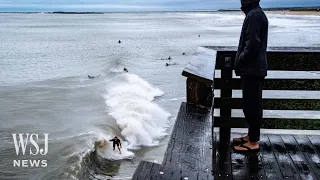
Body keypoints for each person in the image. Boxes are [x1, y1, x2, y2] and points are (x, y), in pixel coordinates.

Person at [232, 0, 268, 153]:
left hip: (252, 69)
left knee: (252, 105)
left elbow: (252, 44)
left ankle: (253, 142)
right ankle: (251, 135)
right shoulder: (255, 13)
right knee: (251, 103)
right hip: (253, 68)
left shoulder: (254, 15)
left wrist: (240, 61)